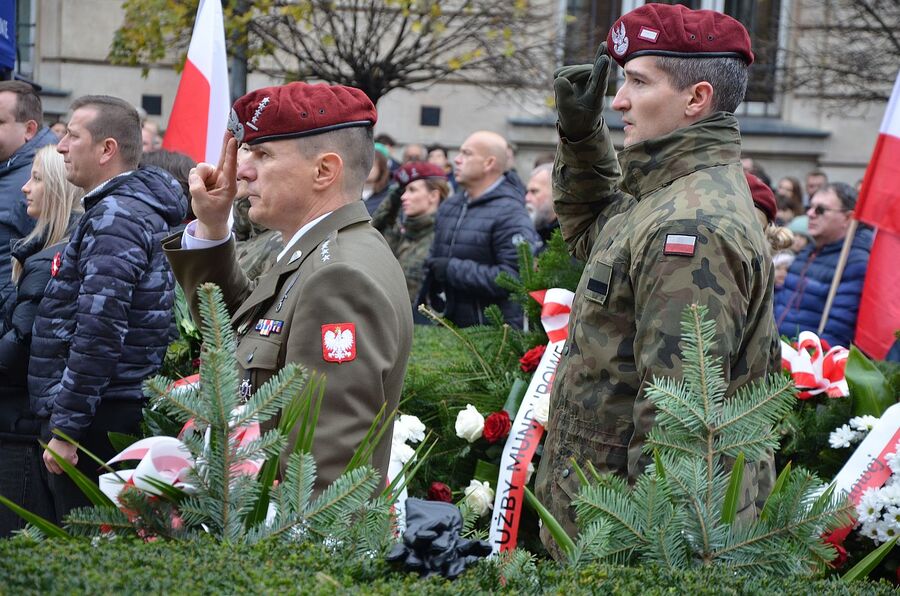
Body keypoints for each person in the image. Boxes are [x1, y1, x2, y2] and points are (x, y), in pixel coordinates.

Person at [533, 3, 780, 560]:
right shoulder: (667, 193)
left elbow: (679, 427)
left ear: (697, 99)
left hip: (631, 538)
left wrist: (650, 564)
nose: (618, 99)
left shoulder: (691, 226)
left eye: (639, 82)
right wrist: (580, 135)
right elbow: (595, 234)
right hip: (602, 516)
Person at [163, 82, 413, 490]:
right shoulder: (319, 251)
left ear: (324, 171)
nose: (242, 170)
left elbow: (325, 478)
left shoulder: (339, 275)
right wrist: (211, 226)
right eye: (249, 152)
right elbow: (236, 332)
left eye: (264, 154)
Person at [28, 95, 187, 521]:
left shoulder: (116, 215)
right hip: (102, 409)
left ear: (107, 149)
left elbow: (99, 329)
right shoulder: (115, 208)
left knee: (85, 548)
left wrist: (66, 430)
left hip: (97, 418)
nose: (61, 146)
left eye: (72, 135)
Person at [0, 146, 82, 536]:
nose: (25, 189)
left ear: (59, 188)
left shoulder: (48, 260)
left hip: (21, 426)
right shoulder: (39, 252)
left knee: (20, 541)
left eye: (36, 179)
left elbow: (19, 344)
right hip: (24, 420)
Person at [424, 130, 538, 328]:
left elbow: (514, 278)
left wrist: (452, 269)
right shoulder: (450, 206)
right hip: (447, 330)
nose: (457, 160)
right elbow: (434, 261)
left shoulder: (510, 213)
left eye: (466, 154)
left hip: (491, 336)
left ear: (489, 163)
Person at [774, 182, 871, 348]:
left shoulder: (855, 262)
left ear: (847, 218)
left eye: (820, 210)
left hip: (806, 365)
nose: (810, 214)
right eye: (810, 207)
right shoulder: (808, 251)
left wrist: (805, 363)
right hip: (781, 354)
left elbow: (837, 331)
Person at [0, 81, 58, 317]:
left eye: (0, 122)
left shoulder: (51, 177)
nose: (28, 187)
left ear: (29, 130)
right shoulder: (9, 165)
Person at [371, 161, 449, 306]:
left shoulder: (443, 237)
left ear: (433, 196)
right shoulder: (403, 234)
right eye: (403, 191)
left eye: (412, 190)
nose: (403, 197)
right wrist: (394, 196)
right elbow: (373, 233)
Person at [524, 163, 558, 245]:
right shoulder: (532, 235)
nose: (526, 198)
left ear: (556, 193)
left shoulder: (575, 243)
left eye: (534, 191)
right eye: (527, 192)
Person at [363, 149, 392, 215]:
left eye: (371, 165)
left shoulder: (388, 195)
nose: (367, 169)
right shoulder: (350, 193)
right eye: (364, 165)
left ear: (381, 168)